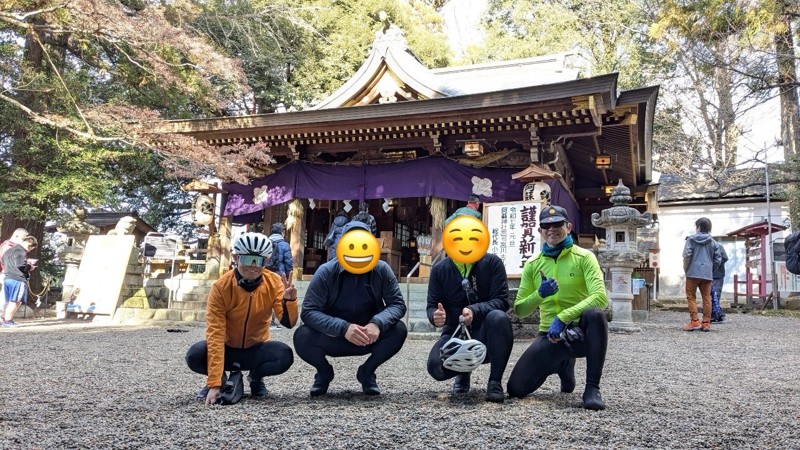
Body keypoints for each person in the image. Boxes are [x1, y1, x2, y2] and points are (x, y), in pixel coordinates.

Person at [506, 205, 609, 410]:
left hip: (579, 333)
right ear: (540, 231)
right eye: (546, 225)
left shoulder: (584, 257)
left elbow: (600, 297)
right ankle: (562, 364)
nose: (551, 229)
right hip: (549, 334)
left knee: (596, 315)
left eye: (557, 224)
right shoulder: (533, 264)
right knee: (516, 389)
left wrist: (563, 317)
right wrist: (539, 294)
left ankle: (592, 388)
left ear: (568, 227)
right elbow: (520, 310)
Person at [293, 221, 407, 396]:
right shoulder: (326, 271)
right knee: (302, 336)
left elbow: (397, 304)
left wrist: (377, 323)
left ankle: (367, 372)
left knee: (399, 330)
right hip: (334, 335)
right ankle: (324, 373)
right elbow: (308, 311)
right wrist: (343, 328)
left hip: (368, 335)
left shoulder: (382, 269)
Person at [185, 232, 298, 405]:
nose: (253, 267)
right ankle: (221, 378)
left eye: (258, 261)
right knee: (195, 355)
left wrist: (289, 301)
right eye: (247, 260)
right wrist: (214, 383)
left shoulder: (274, 282)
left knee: (284, 355)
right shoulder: (221, 287)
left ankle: (256, 377)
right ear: (236, 257)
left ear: (266, 261)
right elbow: (215, 333)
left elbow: (288, 323)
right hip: (227, 347)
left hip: (256, 348)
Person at [426, 213, 513, 403]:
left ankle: (495, 381)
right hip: (454, 333)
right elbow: (432, 305)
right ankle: (463, 372)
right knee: (435, 368)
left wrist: (475, 310)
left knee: (499, 318)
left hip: (486, 331)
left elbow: (502, 301)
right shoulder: (440, 269)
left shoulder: (492, 263)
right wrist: (435, 316)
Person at [682, 217, 722, 332]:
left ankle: (694, 321)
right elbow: (718, 259)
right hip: (707, 274)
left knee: (691, 297)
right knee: (707, 298)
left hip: (692, 273)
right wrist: (711, 270)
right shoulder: (714, 242)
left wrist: (687, 269)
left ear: (698, 227)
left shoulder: (690, 239)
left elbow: (686, 255)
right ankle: (706, 323)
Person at [2, 235, 38, 328]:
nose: (30, 250)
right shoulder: (21, 251)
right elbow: (20, 265)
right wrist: (30, 266)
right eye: (31, 248)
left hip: (7, 278)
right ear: (30, 245)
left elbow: (2, 261)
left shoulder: (9, 251)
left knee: (8, 301)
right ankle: (7, 321)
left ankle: (4, 318)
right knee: (16, 301)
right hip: (17, 279)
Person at [267, 222, 294, 329]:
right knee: (277, 297)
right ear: (282, 232)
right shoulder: (284, 245)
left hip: (266, 273)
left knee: (266, 295)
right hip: (279, 274)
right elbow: (288, 262)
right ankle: (273, 321)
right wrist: (288, 276)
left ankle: (266, 320)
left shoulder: (266, 242)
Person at [710, 241, 728, 323]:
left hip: (718, 275)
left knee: (716, 294)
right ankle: (716, 314)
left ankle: (715, 314)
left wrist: (714, 264)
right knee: (710, 295)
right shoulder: (708, 248)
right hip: (709, 274)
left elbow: (724, 258)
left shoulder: (719, 246)